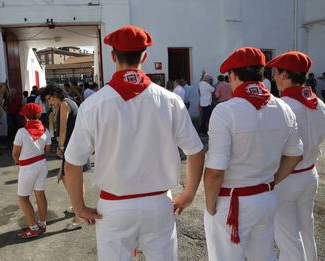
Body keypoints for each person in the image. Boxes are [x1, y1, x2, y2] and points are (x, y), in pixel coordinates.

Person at [63, 25, 204, 260]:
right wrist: (188, 194)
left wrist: (78, 206)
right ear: (145, 56)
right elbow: (196, 152)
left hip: (114, 208)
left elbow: (72, 163)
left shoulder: (94, 104)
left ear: (113, 56)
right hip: (159, 204)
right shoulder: (170, 101)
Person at [204, 47, 303, 261]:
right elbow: (295, 155)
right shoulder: (284, 108)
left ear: (233, 75)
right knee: (263, 256)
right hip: (265, 195)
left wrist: (209, 203)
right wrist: (271, 181)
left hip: (232, 201)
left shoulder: (225, 110)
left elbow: (215, 171)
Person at [267, 51, 325, 261]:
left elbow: (273, 147)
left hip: (286, 177)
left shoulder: (282, 107)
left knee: (288, 238)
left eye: (276, 72)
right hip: (310, 174)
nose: (273, 76)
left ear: (285, 75)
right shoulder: (318, 103)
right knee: (306, 230)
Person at [12, 103, 51, 238]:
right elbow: (47, 151)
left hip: (28, 167)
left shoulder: (21, 132)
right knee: (40, 194)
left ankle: (33, 228)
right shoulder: (46, 131)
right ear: (39, 114)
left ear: (25, 116)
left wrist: (19, 162)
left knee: (23, 197)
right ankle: (42, 224)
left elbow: (15, 154)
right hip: (42, 164)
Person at [45, 85, 81, 230]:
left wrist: (60, 147)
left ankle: (78, 217)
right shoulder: (69, 102)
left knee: (71, 181)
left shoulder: (65, 104)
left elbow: (63, 128)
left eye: (49, 99)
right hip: (73, 147)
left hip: (71, 147)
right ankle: (76, 207)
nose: (49, 103)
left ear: (55, 94)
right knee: (69, 179)